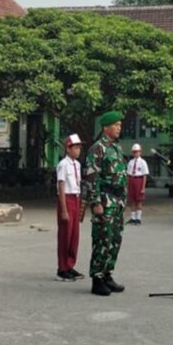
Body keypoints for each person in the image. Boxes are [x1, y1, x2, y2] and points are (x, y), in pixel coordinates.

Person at [83, 111, 129, 297]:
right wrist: (95, 202)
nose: (119, 128)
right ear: (105, 127)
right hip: (105, 199)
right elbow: (92, 177)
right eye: (116, 125)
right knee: (102, 238)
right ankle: (97, 278)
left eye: (120, 125)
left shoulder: (116, 148)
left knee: (115, 239)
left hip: (117, 201)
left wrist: (124, 200)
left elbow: (122, 176)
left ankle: (108, 274)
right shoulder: (97, 148)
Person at [55, 133, 85, 281]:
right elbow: (61, 186)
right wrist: (64, 209)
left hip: (76, 198)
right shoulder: (63, 165)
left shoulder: (77, 165)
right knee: (65, 235)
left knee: (74, 235)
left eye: (79, 147)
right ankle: (62, 267)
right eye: (76, 147)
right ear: (68, 148)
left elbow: (78, 185)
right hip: (66, 198)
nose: (78, 150)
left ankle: (70, 265)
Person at [125, 143, 149, 226]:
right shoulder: (130, 162)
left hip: (139, 180)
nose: (135, 153)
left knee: (139, 200)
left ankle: (138, 218)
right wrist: (127, 186)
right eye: (134, 152)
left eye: (137, 152)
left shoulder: (143, 162)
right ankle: (133, 218)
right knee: (132, 200)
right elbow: (128, 174)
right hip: (132, 180)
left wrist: (143, 187)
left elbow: (144, 175)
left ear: (140, 152)